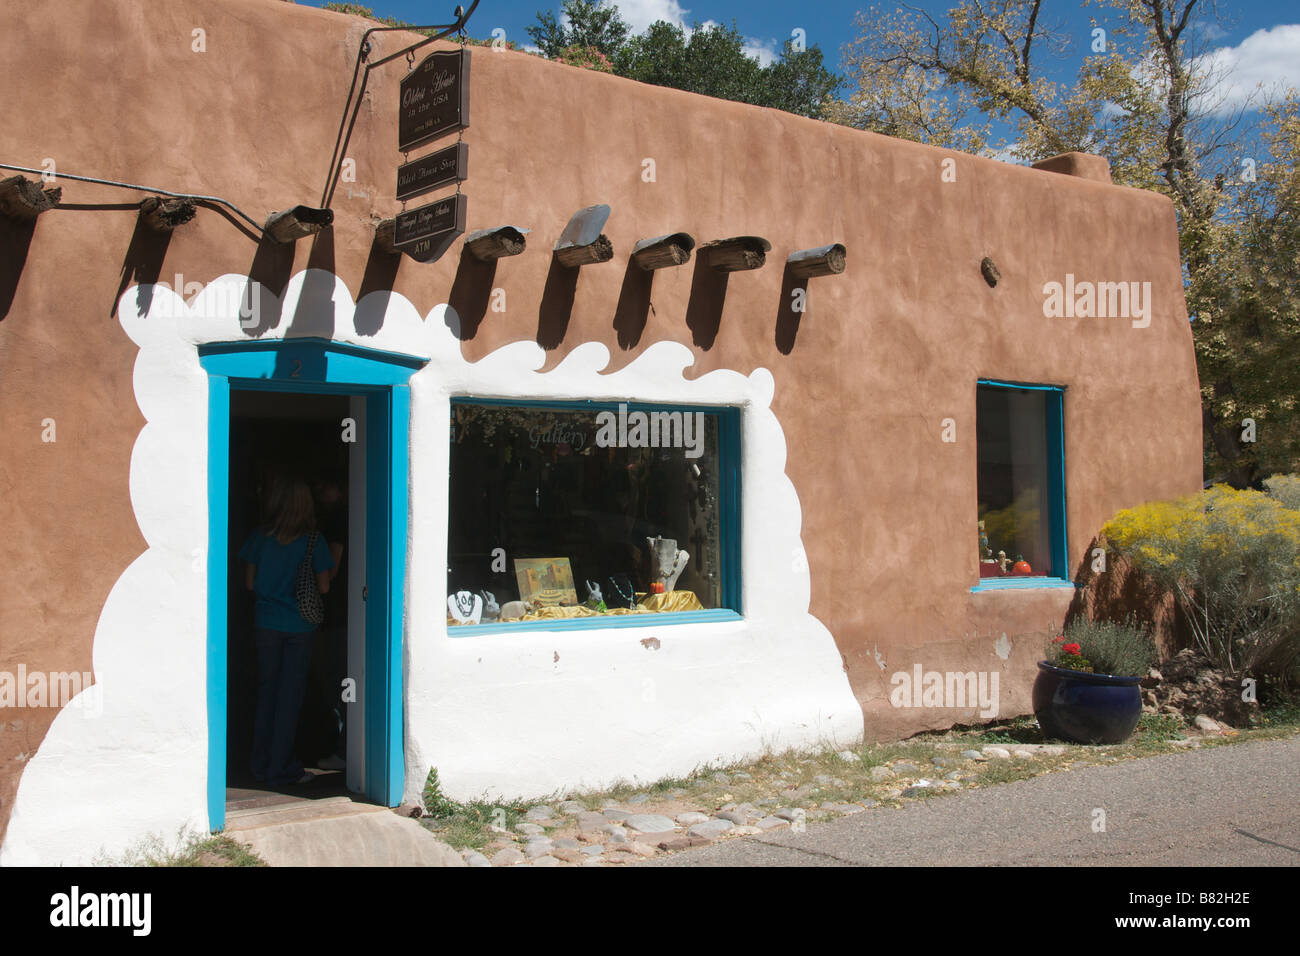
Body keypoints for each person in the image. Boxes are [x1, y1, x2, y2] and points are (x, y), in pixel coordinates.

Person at [239, 477, 335, 789]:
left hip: (266, 622)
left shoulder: (260, 538)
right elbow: (323, 586)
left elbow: (250, 584)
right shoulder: (313, 541)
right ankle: (282, 768)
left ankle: (260, 764)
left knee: (267, 694)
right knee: (289, 698)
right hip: (299, 626)